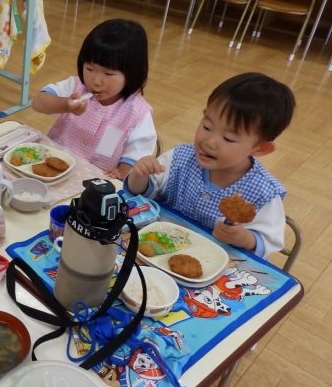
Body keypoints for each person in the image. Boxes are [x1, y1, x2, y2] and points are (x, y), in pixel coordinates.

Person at [125, 73, 295, 257]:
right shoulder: (180, 157)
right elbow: (142, 195)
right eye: (207, 127)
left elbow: (268, 241)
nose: (209, 141)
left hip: (214, 262)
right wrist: (139, 175)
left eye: (228, 138)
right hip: (159, 248)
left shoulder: (263, 191)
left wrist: (243, 238)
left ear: (261, 148)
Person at [32, 18, 156, 179]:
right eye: (89, 69)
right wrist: (65, 105)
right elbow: (38, 103)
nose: (95, 81)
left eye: (108, 73)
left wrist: (122, 172)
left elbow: (136, 155)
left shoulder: (136, 112)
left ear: (132, 73)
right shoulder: (76, 87)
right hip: (53, 165)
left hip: (94, 180)